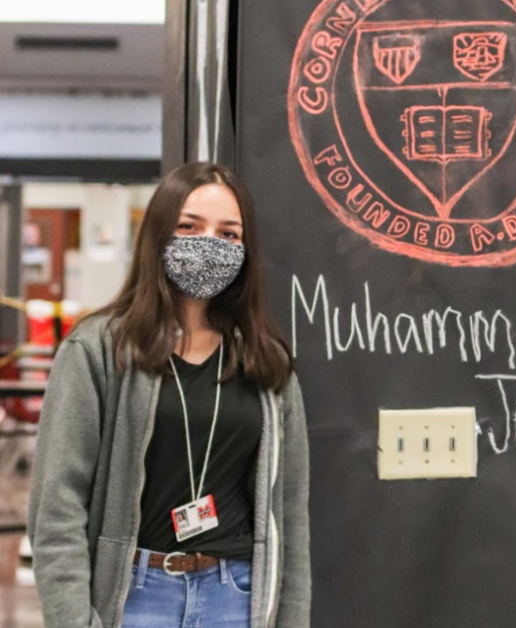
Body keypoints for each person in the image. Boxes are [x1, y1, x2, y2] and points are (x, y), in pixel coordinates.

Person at [28, 162, 311, 628]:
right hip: (135, 597)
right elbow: (56, 509)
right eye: (189, 227)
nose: (209, 244)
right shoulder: (99, 349)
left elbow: (291, 520)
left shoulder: (266, 362)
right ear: (159, 234)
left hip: (236, 597)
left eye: (228, 234)